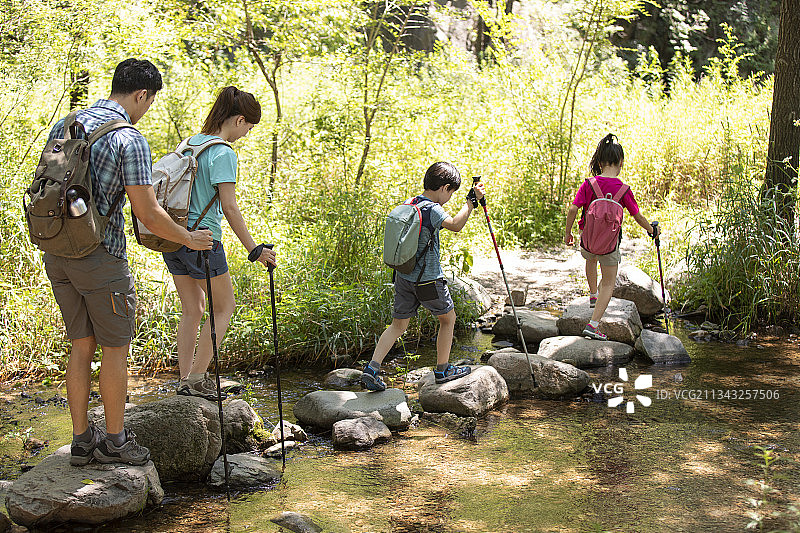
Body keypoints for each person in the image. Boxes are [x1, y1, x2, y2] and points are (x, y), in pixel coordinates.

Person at [44, 58, 214, 466]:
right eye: (150, 101)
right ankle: (116, 442)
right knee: (115, 348)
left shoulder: (68, 123)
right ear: (142, 94)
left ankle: (82, 442)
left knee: (80, 345)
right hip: (100, 256)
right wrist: (189, 237)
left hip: (56, 250)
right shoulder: (128, 138)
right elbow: (148, 211)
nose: (147, 108)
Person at [161, 86, 276, 401]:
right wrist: (255, 249)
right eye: (249, 128)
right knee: (224, 307)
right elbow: (229, 207)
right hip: (202, 240)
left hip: (173, 237)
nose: (246, 134)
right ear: (239, 120)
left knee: (192, 309)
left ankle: (185, 379)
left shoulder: (189, 144)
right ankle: (198, 378)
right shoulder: (223, 152)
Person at [361, 162, 484, 391]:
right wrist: (470, 204)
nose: (449, 197)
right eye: (451, 193)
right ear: (445, 187)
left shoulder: (410, 203)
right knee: (448, 319)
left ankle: (372, 368)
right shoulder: (433, 209)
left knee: (397, 326)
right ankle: (443, 369)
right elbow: (456, 225)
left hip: (403, 277)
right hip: (428, 280)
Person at [564, 133, 659, 340]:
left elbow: (573, 209)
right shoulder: (623, 189)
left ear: (599, 161)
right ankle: (593, 325)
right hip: (609, 245)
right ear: (621, 163)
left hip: (588, 239)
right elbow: (637, 216)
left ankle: (592, 294)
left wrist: (567, 233)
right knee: (608, 282)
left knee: (590, 258)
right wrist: (651, 230)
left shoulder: (589, 184)